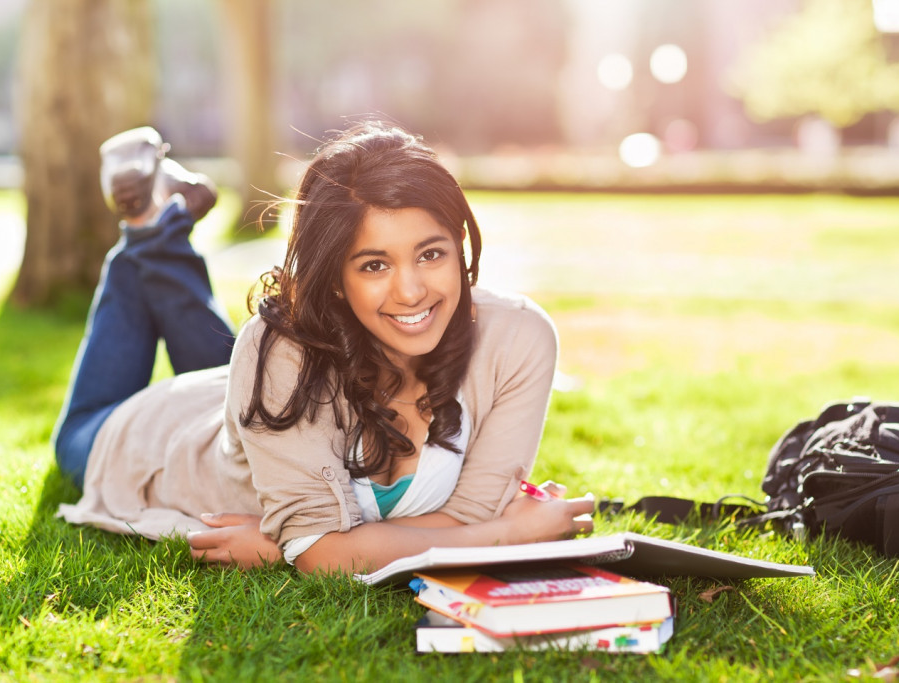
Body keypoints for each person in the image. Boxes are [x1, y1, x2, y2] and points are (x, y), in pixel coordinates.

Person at [54, 121, 595, 574]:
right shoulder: (278, 355)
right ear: (335, 278)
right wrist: (511, 536)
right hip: (152, 437)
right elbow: (323, 553)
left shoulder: (518, 338)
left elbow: (466, 517)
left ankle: (159, 221)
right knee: (81, 431)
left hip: (268, 405)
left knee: (258, 360)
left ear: (458, 247)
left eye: (431, 254)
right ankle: (147, 227)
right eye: (375, 265)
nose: (412, 291)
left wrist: (325, 546)